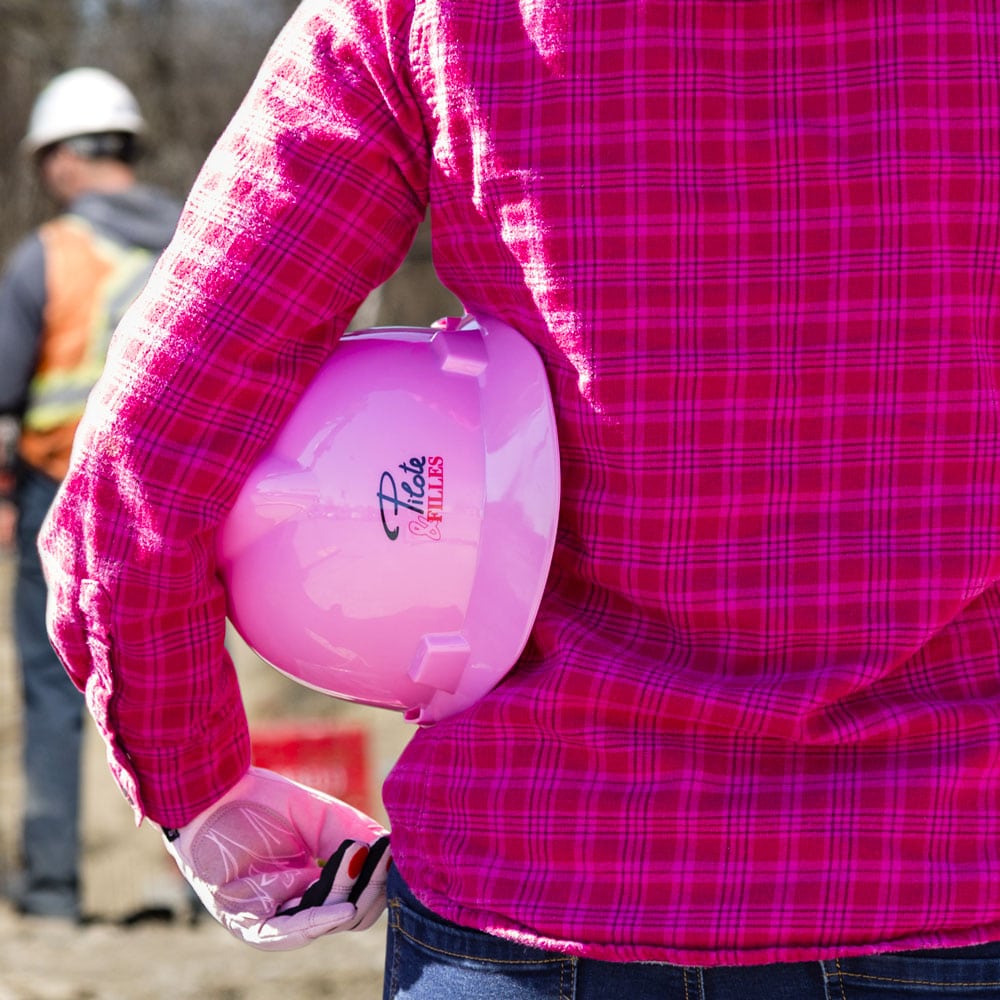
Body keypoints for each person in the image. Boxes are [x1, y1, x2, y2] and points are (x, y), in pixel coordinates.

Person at [34, 1, 1000, 996]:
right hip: (952, 878)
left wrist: (200, 787)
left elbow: (142, 466)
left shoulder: (422, 18)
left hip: (541, 888)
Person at [0, 67, 181, 921]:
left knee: (50, 689)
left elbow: (4, 394)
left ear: (68, 159)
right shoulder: (198, 237)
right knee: (184, 687)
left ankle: (51, 888)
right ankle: (207, 890)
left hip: (61, 499)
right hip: (182, 501)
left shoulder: (48, 255)